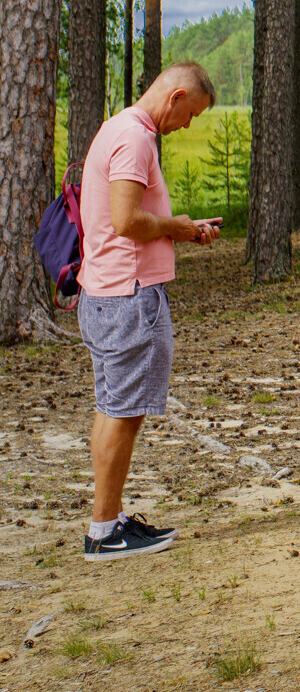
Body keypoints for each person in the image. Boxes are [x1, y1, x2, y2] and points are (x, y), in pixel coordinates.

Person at [77, 62, 221, 562]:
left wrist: (181, 230)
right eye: (191, 114)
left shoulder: (117, 127)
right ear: (175, 96)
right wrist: (176, 228)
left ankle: (110, 519)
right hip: (128, 298)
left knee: (113, 408)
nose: (187, 125)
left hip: (106, 292)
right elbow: (126, 220)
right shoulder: (137, 138)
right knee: (123, 413)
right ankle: (103, 531)